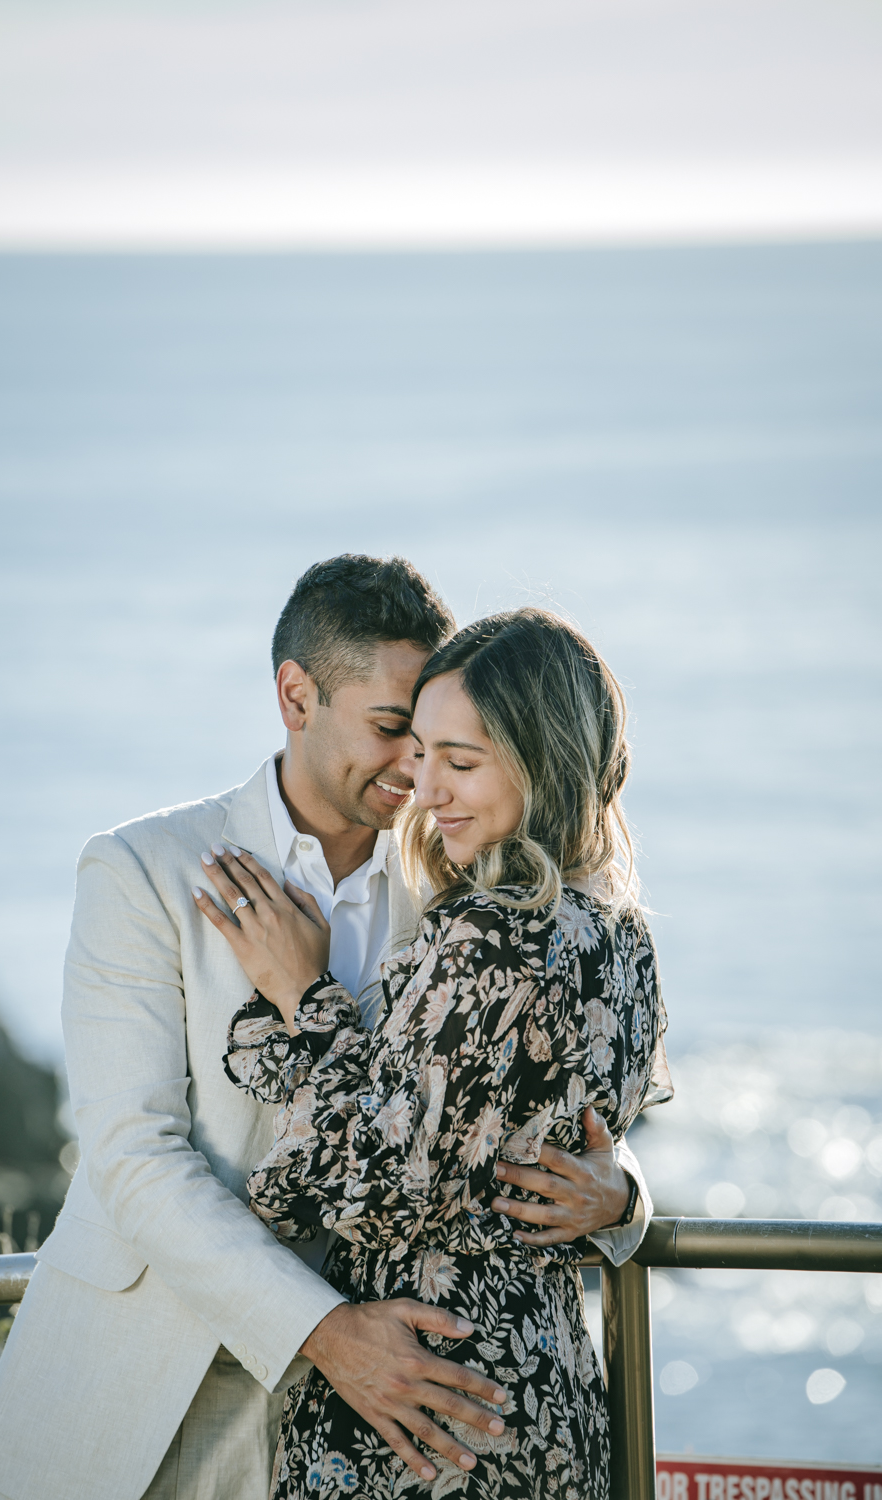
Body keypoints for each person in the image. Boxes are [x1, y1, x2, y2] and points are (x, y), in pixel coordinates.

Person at [0, 559, 653, 1500]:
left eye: (439, 742)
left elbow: (521, 1102)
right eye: (391, 730)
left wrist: (621, 1198)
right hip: (147, 1394)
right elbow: (134, 1158)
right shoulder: (144, 868)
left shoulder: (462, 896)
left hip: (375, 1425)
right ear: (296, 696)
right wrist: (323, 1331)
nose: (416, 769)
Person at [201, 605, 671, 1498]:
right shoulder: (624, 936)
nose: (428, 790)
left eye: (461, 762)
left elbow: (350, 1182)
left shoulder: (487, 935)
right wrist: (619, 1196)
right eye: (420, 755)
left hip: (425, 1405)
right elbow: (571, 1131)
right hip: (547, 1389)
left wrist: (306, 996)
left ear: (545, 762)